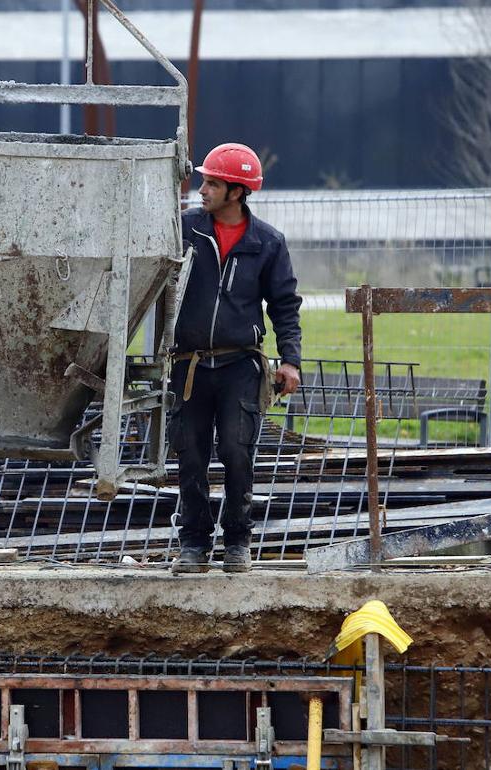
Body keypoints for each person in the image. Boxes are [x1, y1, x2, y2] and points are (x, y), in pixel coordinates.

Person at [169, 143, 303, 574]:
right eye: (203, 180)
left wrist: (290, 361)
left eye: (211, 182)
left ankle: (238, 542)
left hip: (239, 366)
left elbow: (284, 306)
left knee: (236, 451)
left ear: (236, 191)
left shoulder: (267, 243)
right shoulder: (183, 230)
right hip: (188, 365)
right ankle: (192, 543)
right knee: (190, 455)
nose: (202, 188)